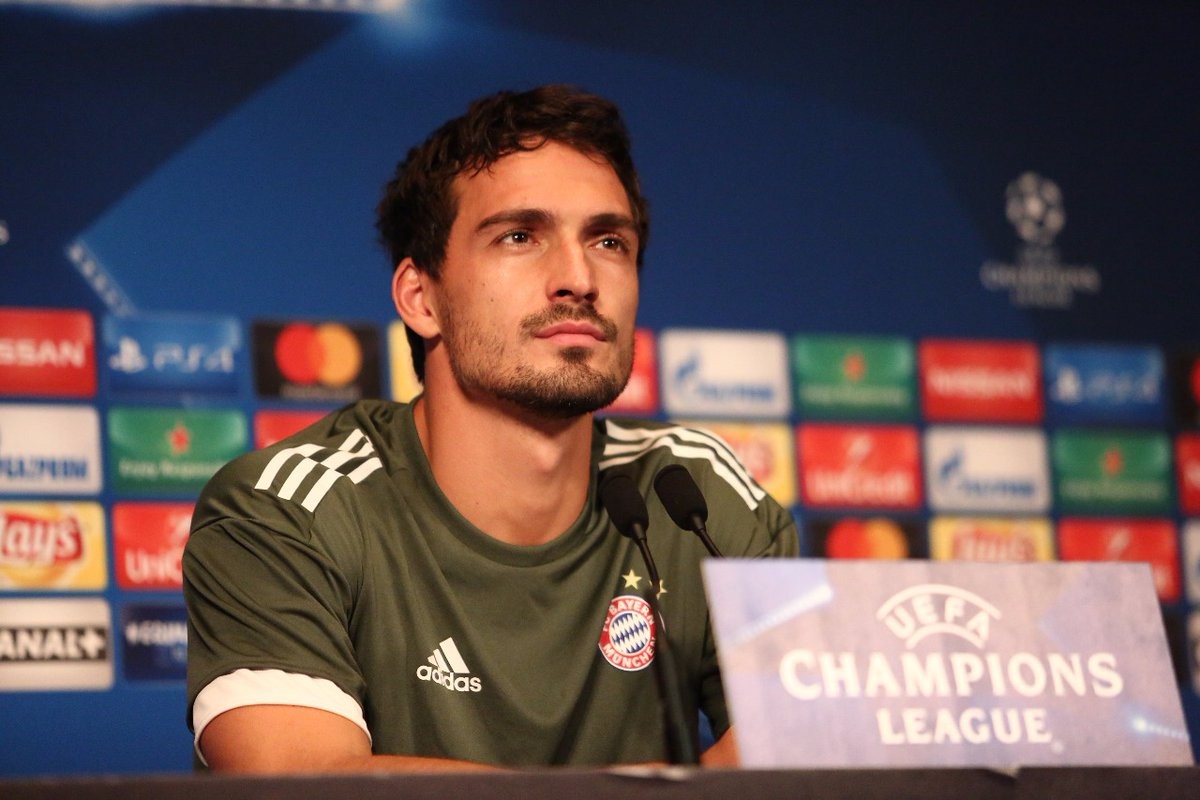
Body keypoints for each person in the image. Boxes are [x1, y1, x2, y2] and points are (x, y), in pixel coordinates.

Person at [183, 84, 799, 773]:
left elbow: (822, 751)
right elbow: (306, 785)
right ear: (421, 298)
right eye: (519, 236)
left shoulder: (691, 493)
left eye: (608, 241)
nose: (578, 278)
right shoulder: (286, 509)